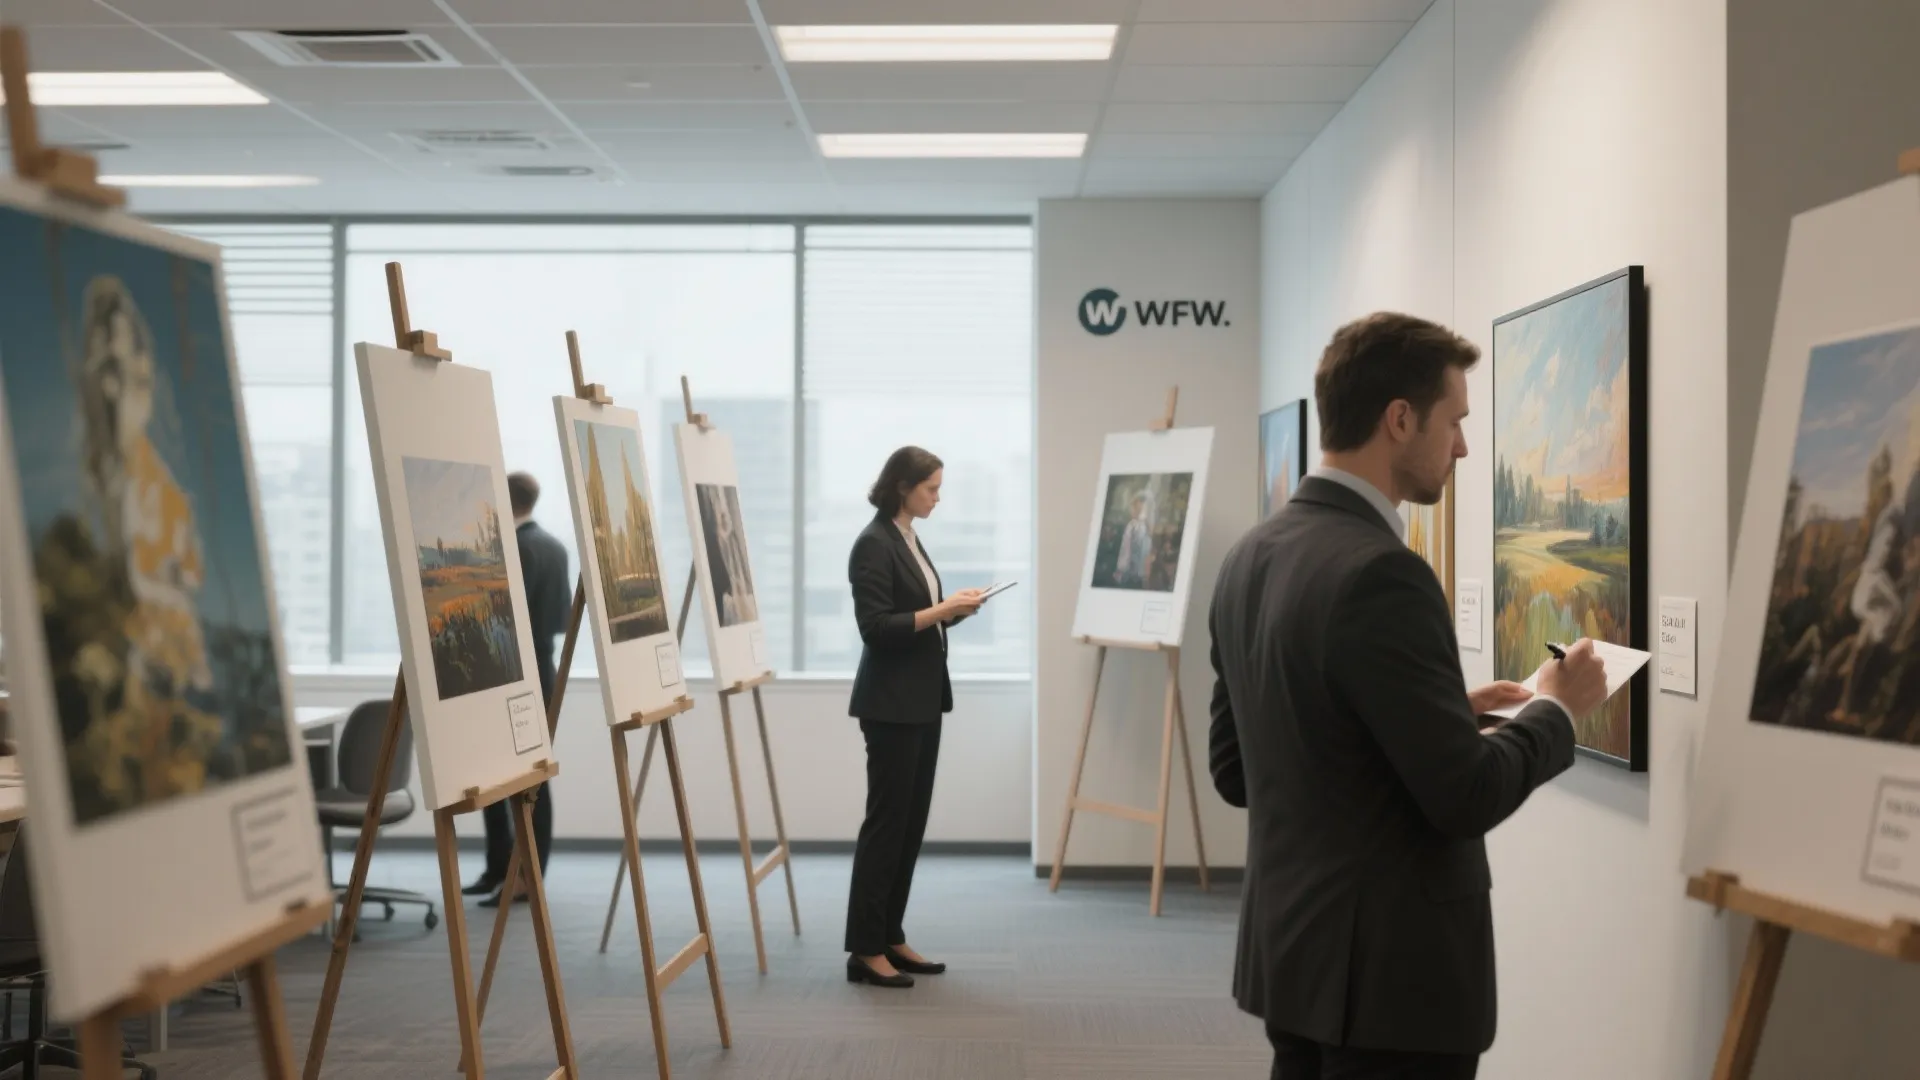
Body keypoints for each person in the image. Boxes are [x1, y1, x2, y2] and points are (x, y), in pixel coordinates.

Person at [1207, 312, 1610, 1080]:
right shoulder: (1381, 573)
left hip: (1293, 964)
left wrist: (1442, 714)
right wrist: (1556, 708)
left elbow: (1241, 769)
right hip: (1392, 989)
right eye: (1454, 420)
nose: (1461, 446)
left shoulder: (1248, 559)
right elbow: (1464, 796)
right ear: (1399, 419)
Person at [843, 446, 986, 988]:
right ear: (903, 486)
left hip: (923, 700)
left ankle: (890, 935)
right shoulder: (872, 544)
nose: (938, 497)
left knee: (910, 825)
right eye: (931, 488)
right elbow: (877, 628)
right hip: (891, 706)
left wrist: (955, 610)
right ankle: (864, 949)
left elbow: (918, 619)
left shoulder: (907, 537)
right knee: (886, 826)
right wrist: (942, 611)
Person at [467, 472, 571, 907]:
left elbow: (499, 616)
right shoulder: (553, 546)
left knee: (523, 778)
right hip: (540, 667)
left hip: (511, 670)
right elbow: (563, 617)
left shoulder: (518, 550)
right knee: (515, 775)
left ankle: (522, 877)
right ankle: (502, 870)